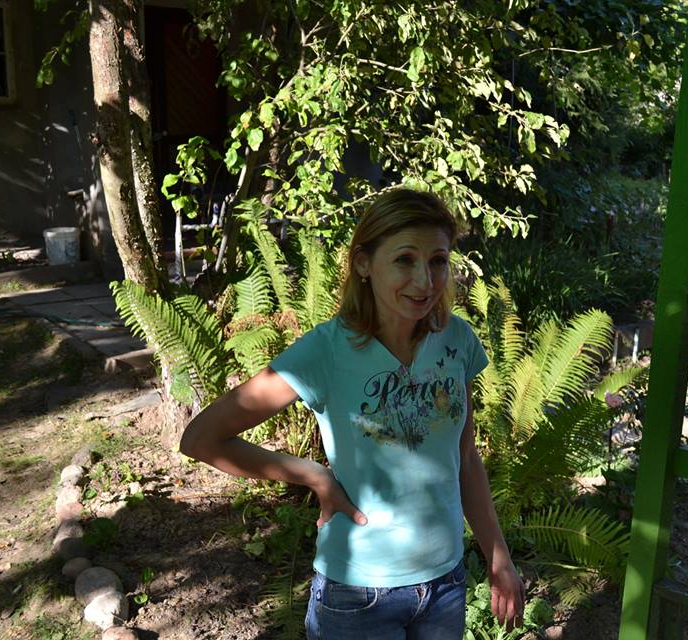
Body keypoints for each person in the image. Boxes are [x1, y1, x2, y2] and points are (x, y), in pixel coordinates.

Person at [179, 188, 524, 639]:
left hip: (446, 585)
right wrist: (312, 475)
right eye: (404, 259)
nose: (425, 281)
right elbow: (202, 438)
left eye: (438, 261)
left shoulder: (456, 340)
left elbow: (465, 457)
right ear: (364, 264)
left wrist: (497, 555)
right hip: (358, 597)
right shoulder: (326, 351)